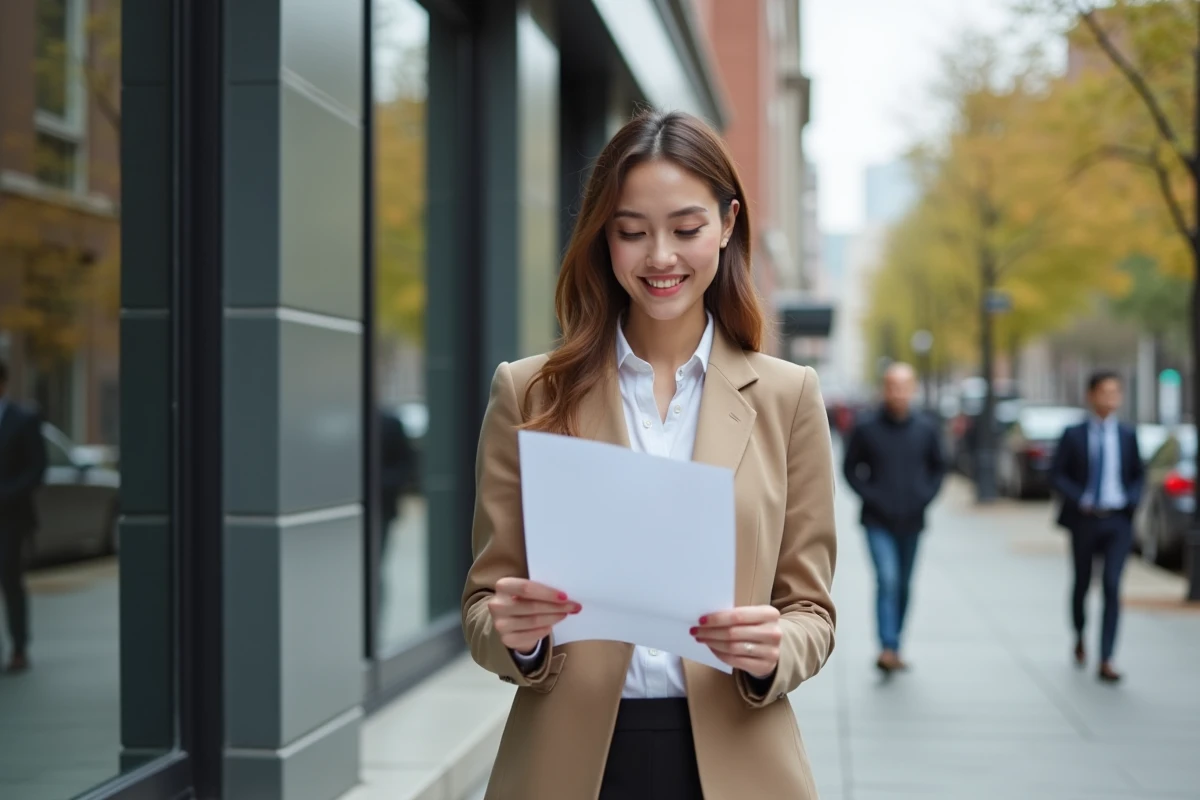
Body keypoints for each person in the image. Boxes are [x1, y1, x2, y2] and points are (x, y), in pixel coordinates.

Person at [461, 110, 837, 799]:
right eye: (632, 232)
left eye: (686, 229)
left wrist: (776, 648)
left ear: (727, 225)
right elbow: (484, 604)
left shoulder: (788, 396)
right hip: (568, 766)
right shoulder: (530, 392)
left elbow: (811, 610)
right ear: (604, 239)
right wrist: (518, 635)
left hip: (740, 761)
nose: (660, 256)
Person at [842, 362, 944, 673]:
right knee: (887, 580)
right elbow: (850, 469)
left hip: (912, 520)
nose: (897, 393)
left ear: (912, 390)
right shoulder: (865, 427)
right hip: (877, 521)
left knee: (904, 584)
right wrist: (872, 496)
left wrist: (923, 498)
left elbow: (938, 467)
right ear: (883, 389)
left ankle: (896, 643)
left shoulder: (926, 428)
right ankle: (887, 647)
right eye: (892, 386)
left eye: (903, 386)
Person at [1050, 370, 1143, 683]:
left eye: (1116, 392)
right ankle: (1079, 634)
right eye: (1104, 392)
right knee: (1082, 584)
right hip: (1084, 520)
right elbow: (1057, 475)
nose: (1110, 398)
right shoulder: (1073, 434)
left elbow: (1137, 475)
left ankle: (1106, 657)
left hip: (1117, 520)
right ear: (1091, 395)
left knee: (1113, 587)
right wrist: (1081, 498)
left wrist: (1131, 500)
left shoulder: (1128, 435)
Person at [0, 359, 48, 674]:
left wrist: (6, 493)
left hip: (11, 517)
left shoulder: (24, 420)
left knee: (10, 581)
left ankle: (19, 647)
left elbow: (37, 468)